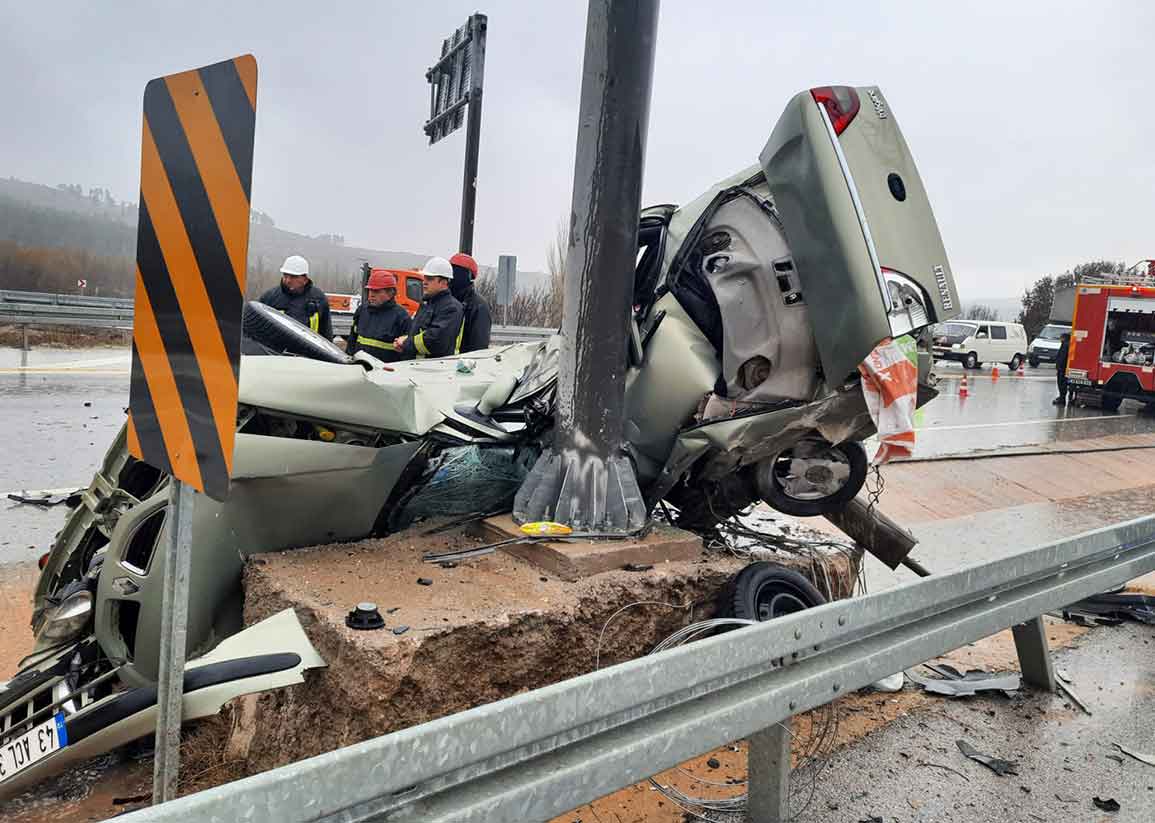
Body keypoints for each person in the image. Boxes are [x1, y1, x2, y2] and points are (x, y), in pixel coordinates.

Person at [394, 257, 464, 359]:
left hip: (435, 370)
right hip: (420, 367)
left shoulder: (452, 308)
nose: (424, 282)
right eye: (425, 277)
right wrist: (405, 343)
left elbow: (435, 341)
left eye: (430, 279)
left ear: (444, 282)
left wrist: (406, 343)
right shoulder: (427, 303)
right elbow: (417, 332)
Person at [258, 255, 333, 339]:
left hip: (307, 351)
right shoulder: (270, 297)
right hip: (275, 350)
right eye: (285, 275)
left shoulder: (319, 299)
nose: (288, 280)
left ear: (305, 279)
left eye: (293, 277)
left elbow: (326, 333)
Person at [345, 270, 411, 362]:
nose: (371, 295)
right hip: (359, 366)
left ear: (390, 293)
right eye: (370, 290)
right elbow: (352, 338)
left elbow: (407, 352)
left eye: (376, 291)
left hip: (385, 371)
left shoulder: (401, 317)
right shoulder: (362, 310)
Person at [448, 252, 493, 352]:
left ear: (468, 275)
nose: (452, 276)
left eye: (457, 271)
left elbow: (479, 345)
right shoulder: (446, 300)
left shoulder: (479, 306)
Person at [1053, 332, 1071, 405]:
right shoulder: (1067, 344)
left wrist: (1059, 366)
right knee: (1063, 383)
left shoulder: (1065, 345)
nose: (1060, 339)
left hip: (1062, 368)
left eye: (1061, 337)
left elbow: (1062, 357)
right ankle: (1062, 397)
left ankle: (1062, 399)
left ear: (1064, 338)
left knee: (1061, 383)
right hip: (1064, 368)